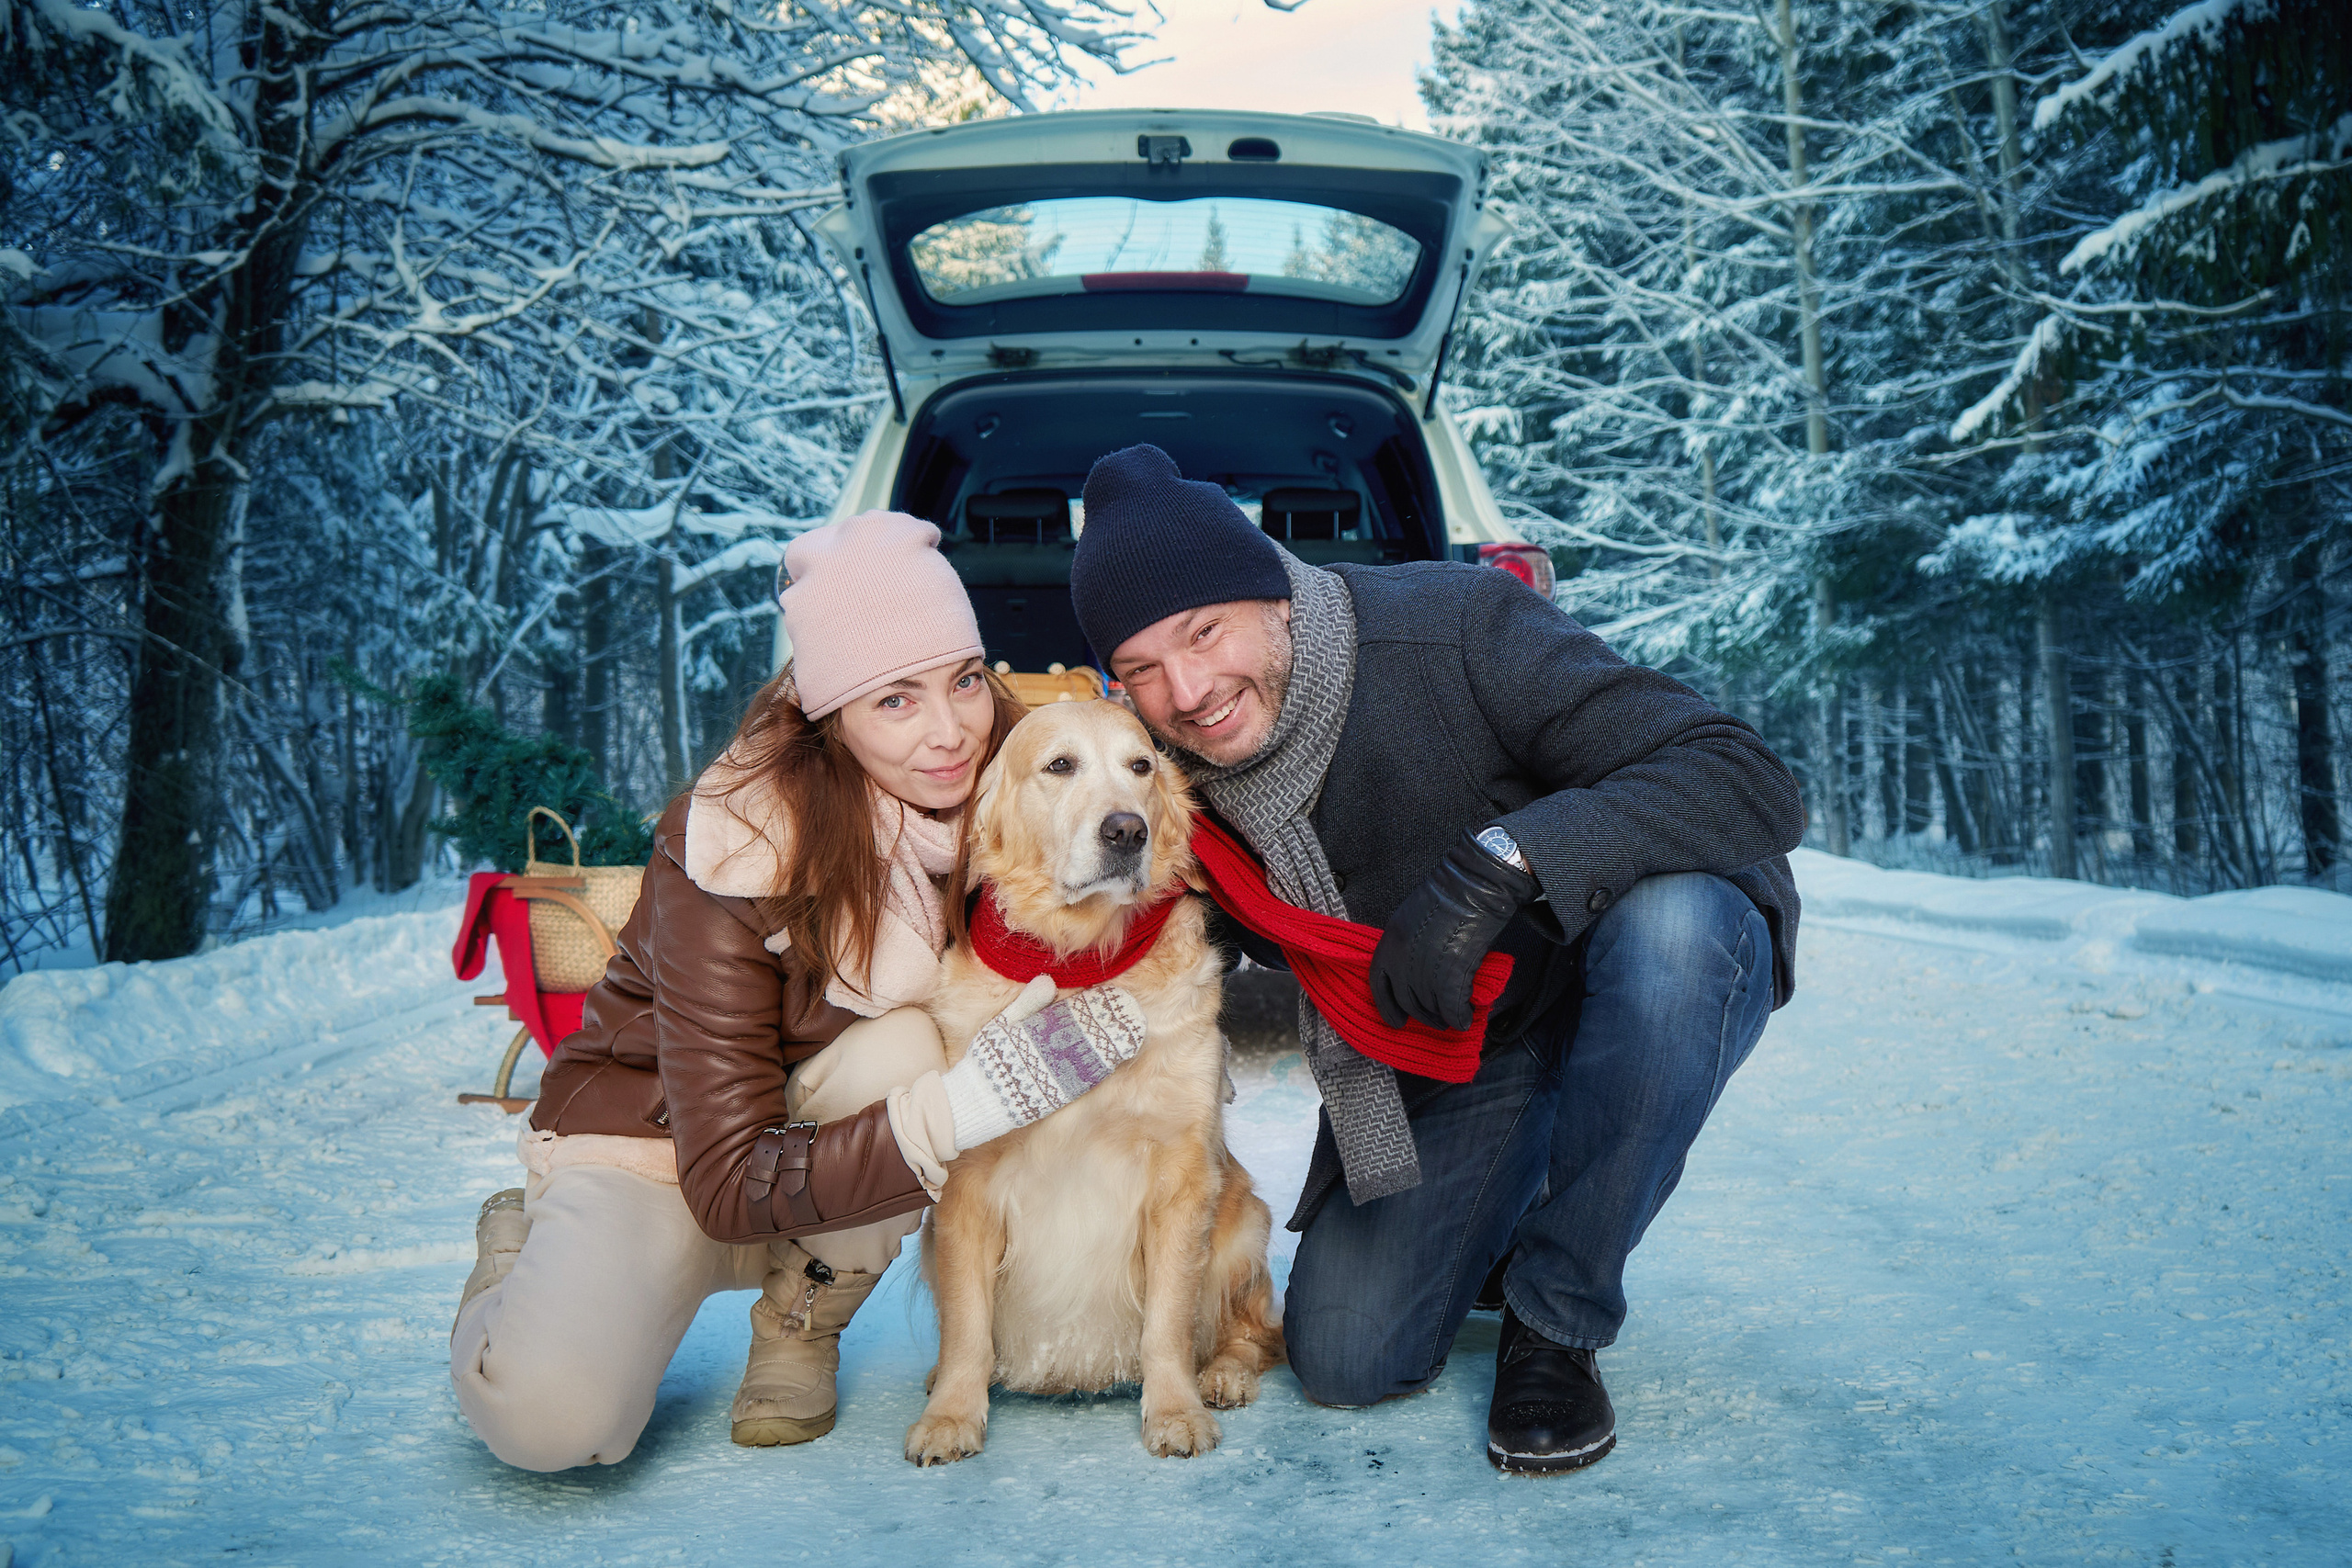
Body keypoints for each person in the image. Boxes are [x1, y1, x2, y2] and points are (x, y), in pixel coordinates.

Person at [1069, 445, 1806, 1473]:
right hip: (1460, 1041)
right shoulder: (1167, 787)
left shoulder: (1455, 624)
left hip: (1620, 957)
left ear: (1275, 593)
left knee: (1677, 931)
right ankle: (1522, 1173)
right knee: (1345, 1358)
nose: (1188, 690)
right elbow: (1150, 952)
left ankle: (1557, 1319)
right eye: (1143, 668)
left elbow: (1744, 776)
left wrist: (1504, 865)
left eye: (1204, 631)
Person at [450, 511, 1146, 1472]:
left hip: (821, 1144)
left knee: (913, 1040)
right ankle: (517, 1262)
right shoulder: (735, 840)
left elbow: (1137, 838)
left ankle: (800, 1315)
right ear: (831, 715)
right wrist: (957, 1111)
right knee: (552, 1425)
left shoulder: (1011, 769)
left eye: (962, 680)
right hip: (664, 1152)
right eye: (894, 699)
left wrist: (1171, 1023)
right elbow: (726, 1175)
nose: (949, 732)